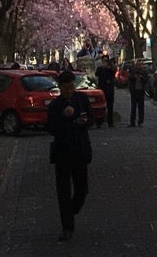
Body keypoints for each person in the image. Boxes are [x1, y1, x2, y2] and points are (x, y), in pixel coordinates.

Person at [46, 68, 93, 241]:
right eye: (66, 87)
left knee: (82, 190)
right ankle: (67, 226)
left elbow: (91, 119)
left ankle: (71, 210)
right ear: (60, 87)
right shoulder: (56, 105)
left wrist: (84, 121)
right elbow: (51, 128)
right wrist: (65, 118)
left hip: (80, 151)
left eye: (72, 86)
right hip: (63, 153)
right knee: (63, 191)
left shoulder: (81, 100)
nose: (69, 90)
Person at [94, 51, 117, 129]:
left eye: (106, 61)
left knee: (110, 106)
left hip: (110, 89)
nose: (105, 62)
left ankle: (110, 123)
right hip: (102, 89)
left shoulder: (111, 69)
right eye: (104, 61)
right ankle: (99, 122)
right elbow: (96, 75)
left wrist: (110, 66)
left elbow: (114, 71)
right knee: (100, 106)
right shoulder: (99, 69)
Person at [127, 59, 147, 127]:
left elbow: (146, 80)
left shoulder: (144, 72)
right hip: (134, 91)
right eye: (138, 65)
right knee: (133, 107)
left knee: (141, 107)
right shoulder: (133, 71)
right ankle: (132, 121)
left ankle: (140, 121)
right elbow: (129, 78)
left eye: (140, 65)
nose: (139, 66)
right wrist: (134, 77)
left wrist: (142, 78)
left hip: (141, 91)